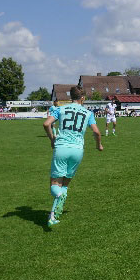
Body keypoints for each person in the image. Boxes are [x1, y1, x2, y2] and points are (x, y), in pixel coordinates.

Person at [43, 86, 103, 227]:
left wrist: (52, 139)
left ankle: (58, 197)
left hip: (62, 148)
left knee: (55, 184)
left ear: (71, 97)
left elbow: (46, 124)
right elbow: (96, 132)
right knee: (65, 183)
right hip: (77, 150)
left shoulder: (61, 109)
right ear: (83, 98)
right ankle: (54, 215)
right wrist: (98, 145)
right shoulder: (88, 113)